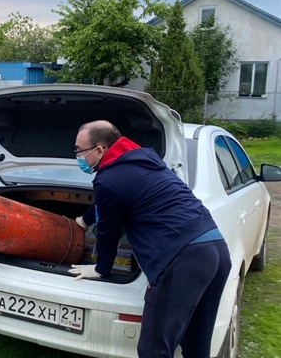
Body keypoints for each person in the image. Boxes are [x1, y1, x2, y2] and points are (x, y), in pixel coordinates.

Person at [68, 120, 231, 358]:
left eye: (79, 150)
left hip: (183, 258)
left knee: (154, 350)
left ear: (100, 150)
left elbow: (108, 230)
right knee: (197, 342)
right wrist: (83, 221)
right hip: (215, 249)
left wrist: (102, 268)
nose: (77, 156)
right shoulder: (141, 161)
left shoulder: (109, 179)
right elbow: (112, 200)